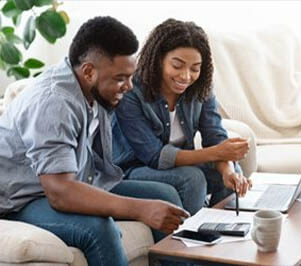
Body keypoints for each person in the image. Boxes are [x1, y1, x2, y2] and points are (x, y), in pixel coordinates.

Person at [0, 16, 189, 266]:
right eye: (121, 78)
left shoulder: (91, 88)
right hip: (23, 199)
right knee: (99, 229)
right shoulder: (54, 103)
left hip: (76, 179)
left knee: (165, 194)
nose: (129, 86)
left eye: (130, 76)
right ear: (88, 70)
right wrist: (141, 209)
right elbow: (60, 192)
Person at [112, 18, 252, 216]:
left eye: (195, 68)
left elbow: (214, 135)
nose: (186, 76)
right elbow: (154, 156)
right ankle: (189, 241)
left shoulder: (200, 88)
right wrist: (218, 152)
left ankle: (219, 232)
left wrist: (228, 170)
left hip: (174, 167)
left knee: (231, 172)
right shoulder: (132, 90)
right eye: (177, 65)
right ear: (159, 58)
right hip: (132, 170)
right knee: (193, 178)